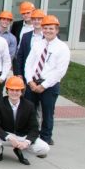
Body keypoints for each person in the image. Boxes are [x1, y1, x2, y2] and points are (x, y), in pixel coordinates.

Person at [24, 15, 70, 146]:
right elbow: (29, 63)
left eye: (51, 28)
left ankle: (45, 139)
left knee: (47, 113)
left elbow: (60, 71)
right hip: (33, 83)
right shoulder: (38, 44)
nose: (48, 31)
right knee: (30, 111)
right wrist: (30, 81)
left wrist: (43, 85)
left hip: (50, 85)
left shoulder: (62, 48)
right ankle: (30, 135)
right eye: (45, 28)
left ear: (57, 30)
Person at [0, 76, 50, 164]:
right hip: (5, 135)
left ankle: (21, 151)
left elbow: (34, 128)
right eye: (11, 90)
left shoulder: (29, 105)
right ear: (7, 90)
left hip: (22, 136)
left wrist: (27, 142)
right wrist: (8, 137)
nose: (14, 93)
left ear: (21, 91)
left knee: (45, 148)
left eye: (17, 90)